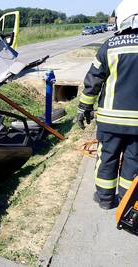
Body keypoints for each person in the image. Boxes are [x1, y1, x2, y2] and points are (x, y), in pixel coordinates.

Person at [77, 0, 138, 210]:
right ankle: (127, 202)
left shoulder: (110, 46)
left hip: (110, 120)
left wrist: (83, 108)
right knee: (133, 161)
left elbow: (93, 79)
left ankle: (105, 200)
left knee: (107, 158)